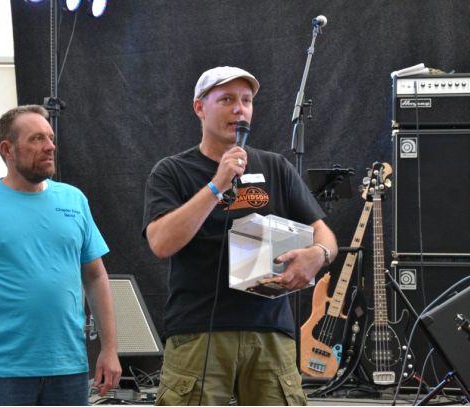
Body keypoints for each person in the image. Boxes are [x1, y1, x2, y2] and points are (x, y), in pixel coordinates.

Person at [142, 66, 338, 405]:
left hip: (270, 332)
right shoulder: (172, 171)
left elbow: (325, 234)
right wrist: (217, 184)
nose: (239, 109)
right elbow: (161, 243)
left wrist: (318, 254)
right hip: (199, 332)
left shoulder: (275, 166)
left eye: (246, 101)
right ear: (199, 107)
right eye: (227, 100)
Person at [0, 105, 122, 405]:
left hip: (69, 369)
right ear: (7, 149)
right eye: (36, 139)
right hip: (0, 371)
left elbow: (96, 275)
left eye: (50, 138)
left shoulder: (74, 199)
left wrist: (110, 349)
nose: (50, 146)